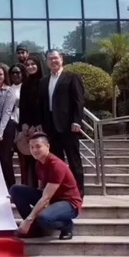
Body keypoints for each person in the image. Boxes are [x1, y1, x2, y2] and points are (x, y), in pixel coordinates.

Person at [9, 132, 82, 241]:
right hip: (51, 198)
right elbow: (42, 190)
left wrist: (30, 218)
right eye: (31, 147)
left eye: (38, 146)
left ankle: (66, 225)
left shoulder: (56, 165)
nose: (34, 150)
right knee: (16, 190)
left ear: (47, 146)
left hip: (68, 203)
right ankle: (34, 229)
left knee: (44, 218)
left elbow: (46, 197)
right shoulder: (39, 163)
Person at [38, 49, 85, 196]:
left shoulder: (72, 77)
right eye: (50, 59)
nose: (53, 61)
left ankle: (78, 193)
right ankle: (60, 193)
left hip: (68, 126)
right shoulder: (43, 81)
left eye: (55, 58)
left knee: (74, 160)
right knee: (56, 163)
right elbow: (42, 104)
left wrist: (77, 121)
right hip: (50, 127)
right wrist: (41, 123)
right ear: (46, 62)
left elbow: (78, 101)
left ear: (61, 59)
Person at [18, 56, 44, 188]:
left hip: (41, 126)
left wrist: (36, 124)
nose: (30, 67)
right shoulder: (25, 84)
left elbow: (43, 106)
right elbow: (23, 107)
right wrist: (24, 124)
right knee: (29, 161)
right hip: (27, 128)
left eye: (33, 64)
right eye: (28, 65)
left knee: (42, 160)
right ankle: (31, 189)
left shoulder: (45, 82)